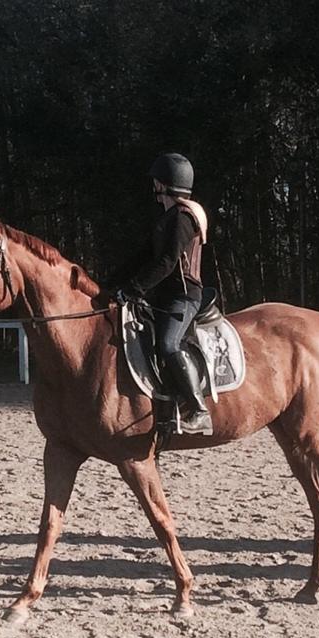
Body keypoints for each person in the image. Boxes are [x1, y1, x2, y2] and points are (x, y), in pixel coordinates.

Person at [115, 151, 213, 436]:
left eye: (156, 181)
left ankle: (198, 409)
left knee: (169, 344)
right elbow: (142, 257)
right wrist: (110, 286)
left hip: (185, 297)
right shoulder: (168, 218)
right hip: (164, 297)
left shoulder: (183, 217)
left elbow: (168, 263)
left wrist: (135, 289)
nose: (153, 187)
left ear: (165, 183)